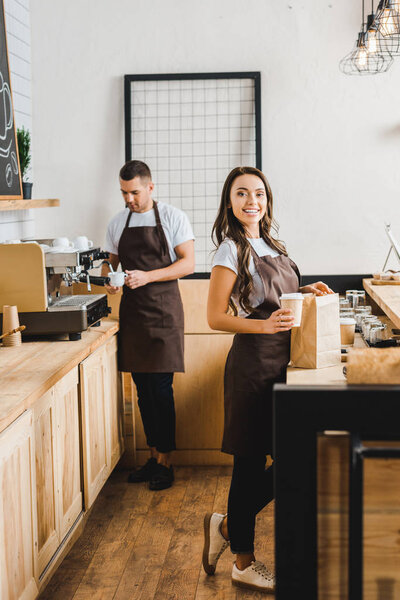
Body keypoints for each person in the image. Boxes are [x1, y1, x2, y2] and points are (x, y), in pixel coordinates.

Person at [201, 166, 333, 593]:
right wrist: (264, 326)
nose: (251, 201)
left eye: (258, 193)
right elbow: (215, 317)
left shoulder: (273, 244)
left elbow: (279, 300)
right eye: (241, 194)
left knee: (294, 457)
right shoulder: (230, 250)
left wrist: (307, 290)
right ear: (230, 202)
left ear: (267, 200)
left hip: (284, 365)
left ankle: (227, 528)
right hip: (253, 367)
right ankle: (242, 560)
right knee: (250, 462)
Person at [103, 160, 195, 490]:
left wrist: (148, 275)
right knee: (143, 391)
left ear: (150, 187)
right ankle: (154, 456)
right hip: (134, 314)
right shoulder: (118, 222)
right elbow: (108, 265)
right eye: (124, 193)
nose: (129, 199)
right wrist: (109, 281)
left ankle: (166, 462)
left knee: (160, 389)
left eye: (135, 192)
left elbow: (189, 263)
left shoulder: (172, 217)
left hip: (165, 314)